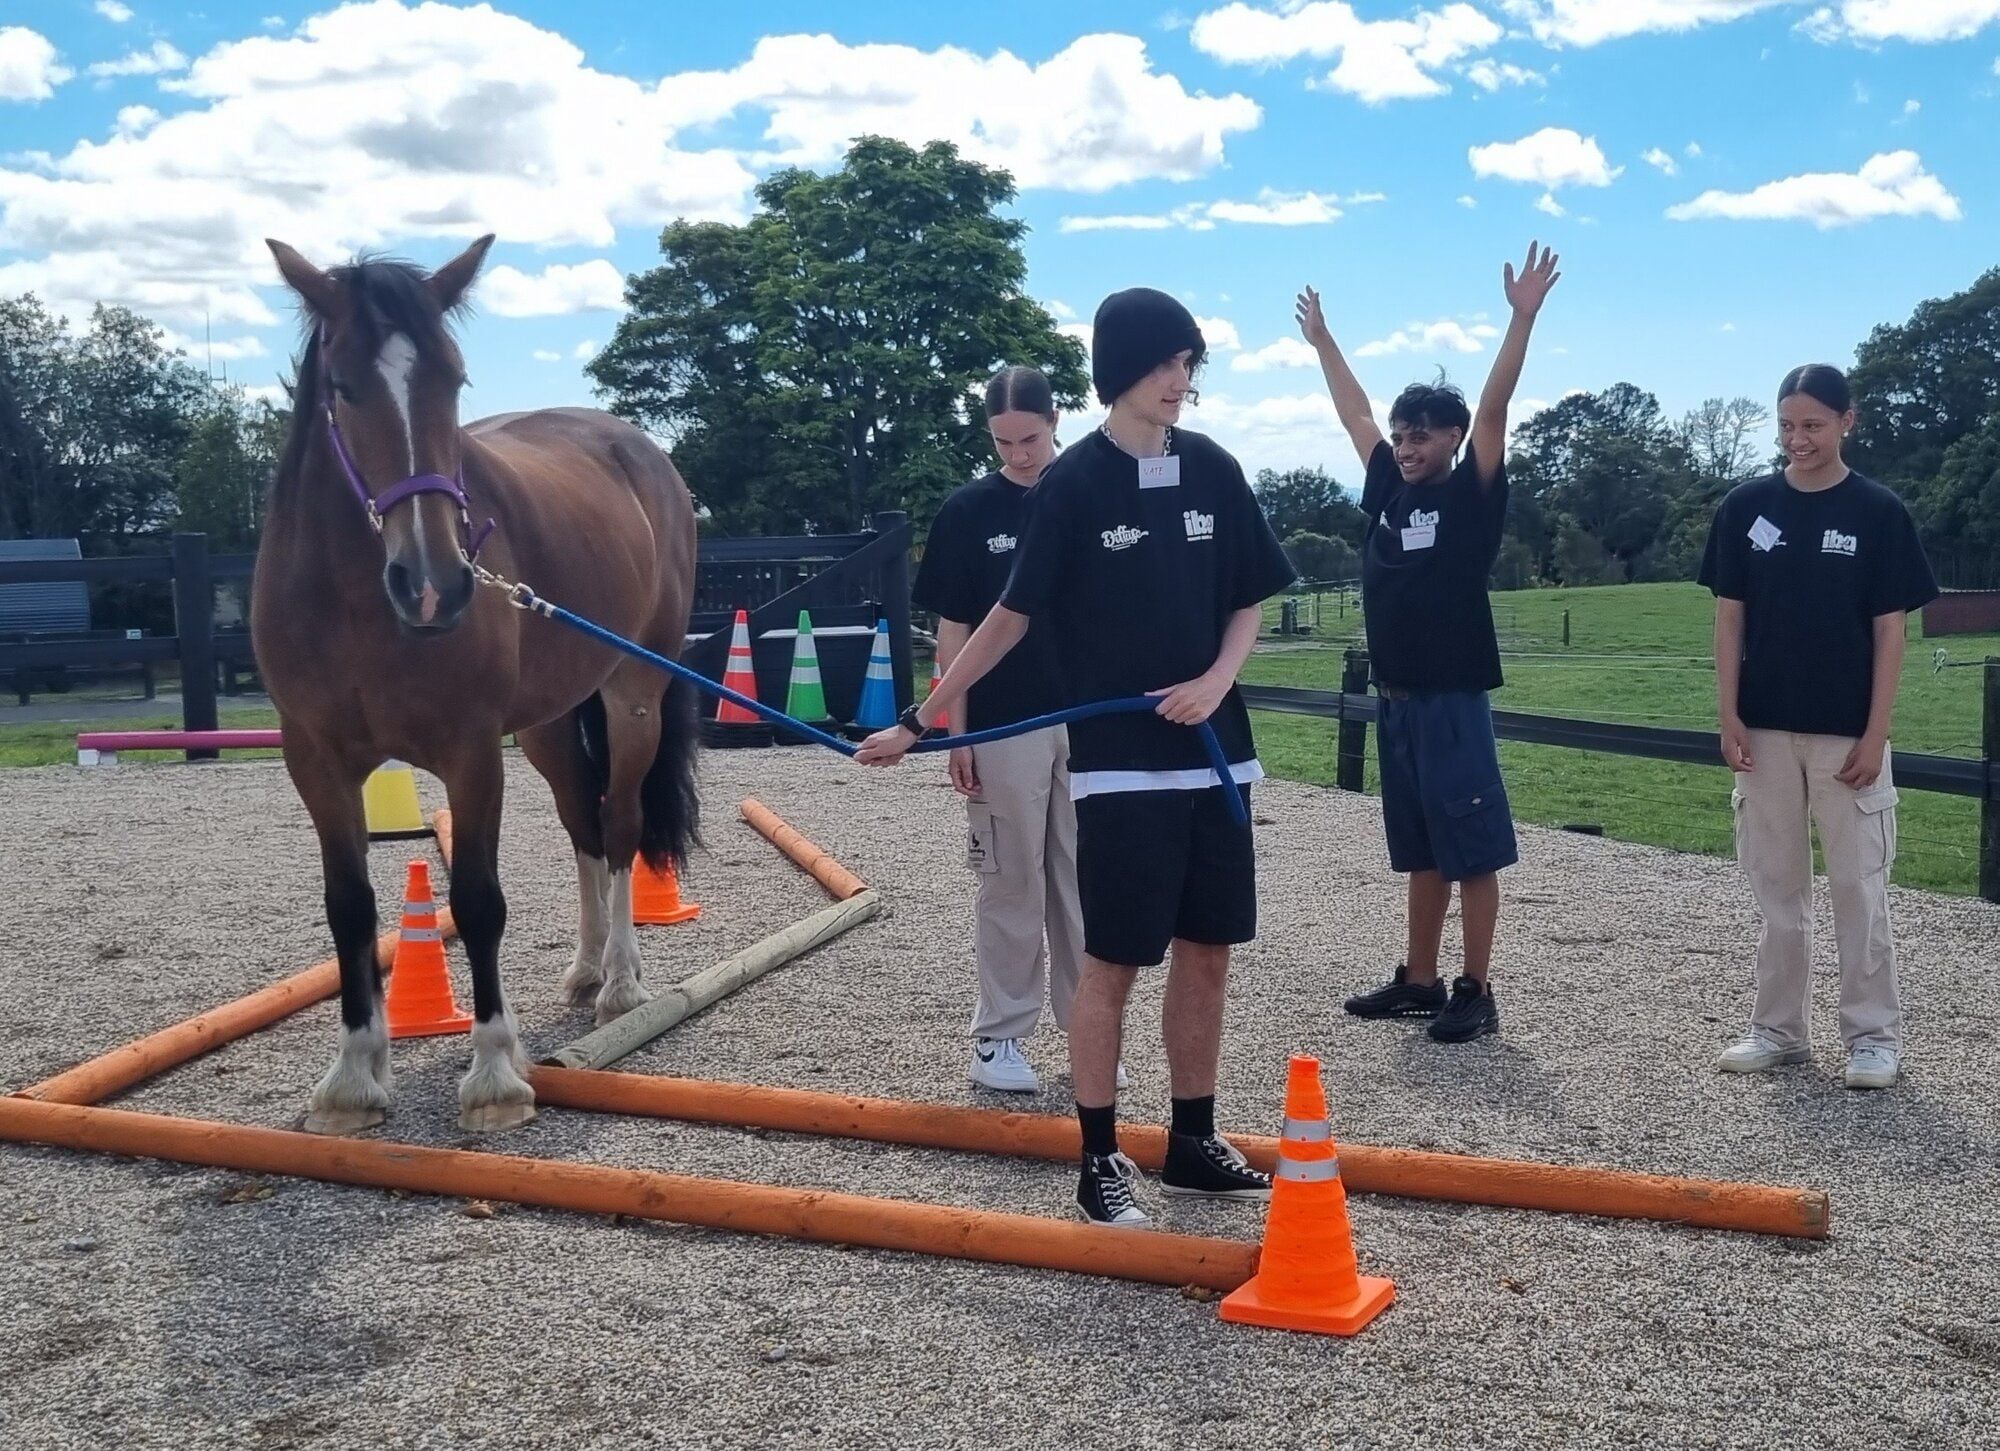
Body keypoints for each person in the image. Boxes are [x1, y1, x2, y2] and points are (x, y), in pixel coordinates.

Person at [859, 288, 1296, 1227]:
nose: (1180, 381)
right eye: (1164, 364)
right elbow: (1004, 619)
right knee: (1112, 962)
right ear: (1119, 372)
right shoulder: (1072, 485)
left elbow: (1250, 596)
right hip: (1119, 765)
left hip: (1217, 756)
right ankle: (1099, 1159)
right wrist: (920, 721)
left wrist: (1219, 680)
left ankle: (1190, 1140)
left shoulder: (1215, 470)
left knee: (1209, 953)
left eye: (1188, 364)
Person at [1296, 242, 1561, 1043]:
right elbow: (1354, 414)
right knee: (1420, 849)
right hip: (1399, 702)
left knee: (1471, 849)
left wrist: (1520, 319)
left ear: (1449, 439)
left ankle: (1475, 988)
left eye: (1424, 436)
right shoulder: (1388, 490)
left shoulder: (1470, 497)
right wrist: (1324, 344)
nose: (1409, 447)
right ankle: (1420, 978)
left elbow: (1493, 412)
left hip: (1452, 701)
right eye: (1404, 437)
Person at [1698, 364, 1937, 1090]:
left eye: (1813, 425)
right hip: (1764, 729)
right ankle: (1778, 1029)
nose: (1798, 438)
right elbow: (1729, 615)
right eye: (1787, 425)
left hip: (1845, 734)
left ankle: (1872, 1037)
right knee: (1776, 886)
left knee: (1858, 888)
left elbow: (1891, 631)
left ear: (1846, 422)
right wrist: (1729, 712)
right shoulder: (1746, 507)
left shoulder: (1877, 511)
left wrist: (1876, 732)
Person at [910, 366, 1089, 1094]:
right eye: (1005, 440)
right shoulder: (966, 510)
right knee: (1009, 879)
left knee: (1085, 884)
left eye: (1031, 437)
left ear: (1055, 422)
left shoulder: (1085, 492)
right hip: (1004, 718)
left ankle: (1091, 1032)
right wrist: (959, 729)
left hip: (1085, 717)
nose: (1019, 452)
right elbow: (953, 628)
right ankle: (999, 1038)